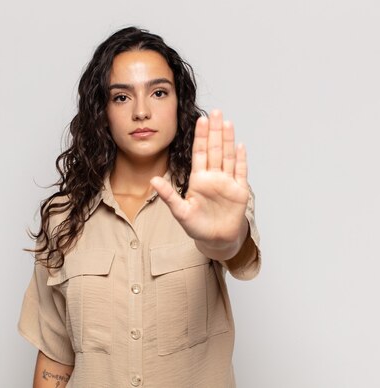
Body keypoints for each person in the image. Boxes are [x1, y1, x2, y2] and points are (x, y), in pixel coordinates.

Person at [18, 26, 262, 388]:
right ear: (101, 111)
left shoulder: (212, 198)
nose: (142, 111)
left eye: (159, 92)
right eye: (121, 97)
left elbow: (233, 250)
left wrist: (225, 239)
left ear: (179, 103)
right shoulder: (63, 218)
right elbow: (55, 355)